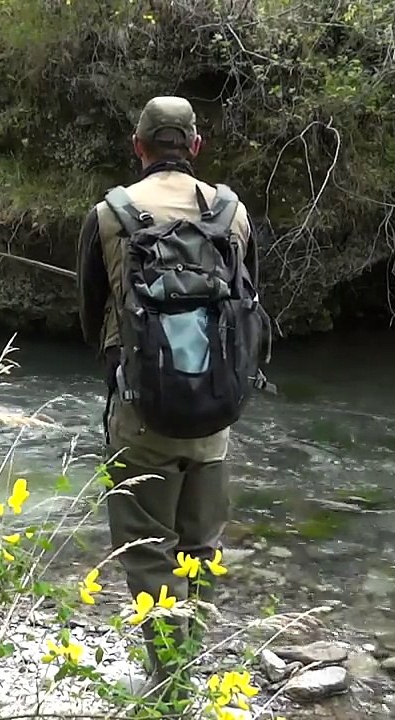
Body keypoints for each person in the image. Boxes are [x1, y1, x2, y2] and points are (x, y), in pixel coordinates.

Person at [76, 96, 266, 706]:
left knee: (150, 553)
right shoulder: (231, 213)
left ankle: (170, 684)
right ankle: (198, 669)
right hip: (216, 416)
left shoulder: (111, 214)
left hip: (140, 415)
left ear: (139, 147)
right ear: (196, 145)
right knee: (201, 549)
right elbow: (249, 308)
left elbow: (88, 319)